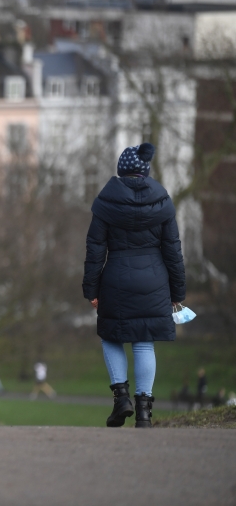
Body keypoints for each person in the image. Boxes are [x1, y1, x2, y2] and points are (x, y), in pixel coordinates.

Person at [82, 142, 186, 429]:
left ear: (121, 170)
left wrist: (90, 289)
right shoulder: (163, 201)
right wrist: (178, 292)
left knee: (111, 335)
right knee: (144, 341)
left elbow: (94, 249)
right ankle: (144, 412)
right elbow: (173, 251)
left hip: (115, 279)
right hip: (154, 282)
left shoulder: (105, 201)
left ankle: (121, 397)